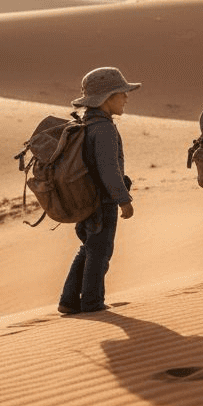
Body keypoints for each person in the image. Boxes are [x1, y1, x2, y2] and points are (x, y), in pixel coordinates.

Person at [59, 67, 140, 315]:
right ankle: (92, 302)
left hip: (87, 200)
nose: (126, 97)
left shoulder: (89, 125)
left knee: (89, 247)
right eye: (121, 93)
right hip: (101, 202)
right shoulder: (103, 129)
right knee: (101, 251)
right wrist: (123, 200)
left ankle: (69, 300)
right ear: (106, 99)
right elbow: (109, 170)